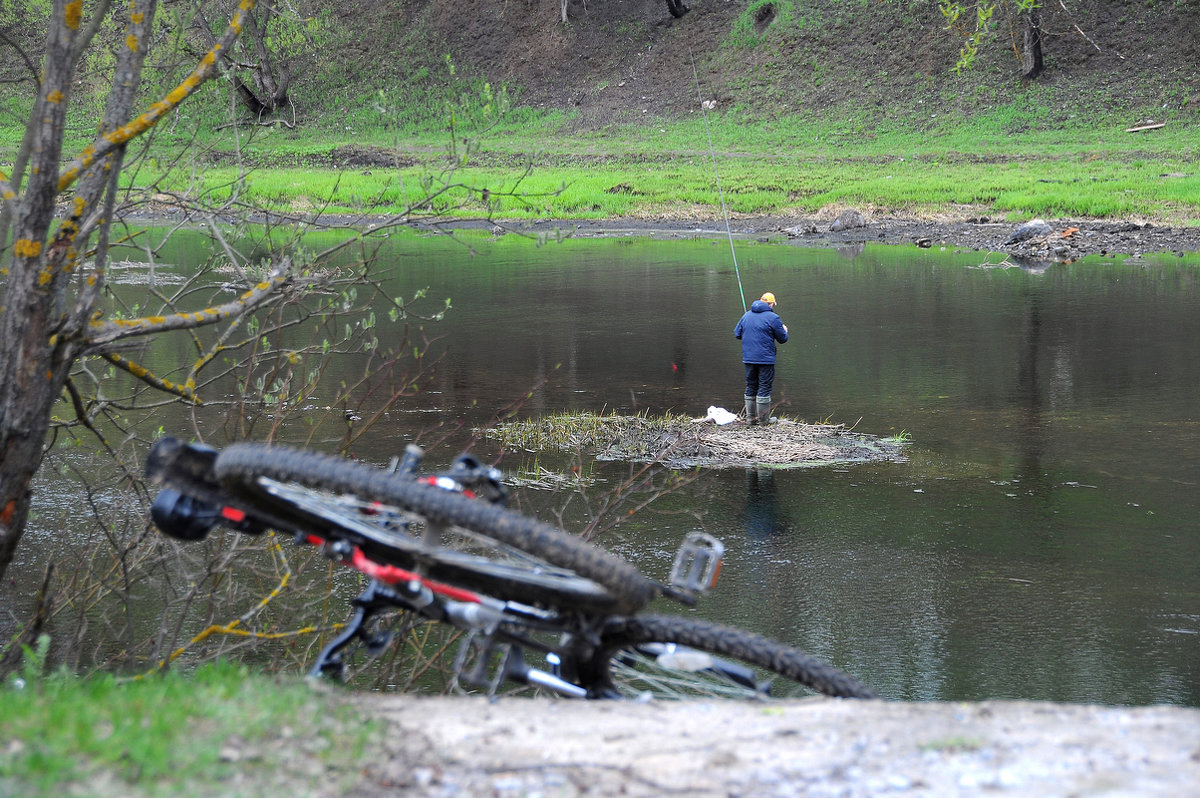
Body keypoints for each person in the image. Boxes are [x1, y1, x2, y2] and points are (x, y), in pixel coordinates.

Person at [734, 291, 789, 425]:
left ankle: (750, 419)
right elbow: (782, 339)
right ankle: (764, 420)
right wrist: (785, 330)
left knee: (751, 386)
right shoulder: (773, 317)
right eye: (772, 304)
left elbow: (737, 334)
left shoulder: (746, 315)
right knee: (764, 387)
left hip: (748, 358)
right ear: (770, 304)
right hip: (766, 359)